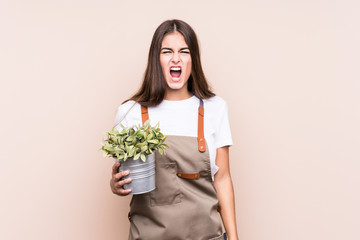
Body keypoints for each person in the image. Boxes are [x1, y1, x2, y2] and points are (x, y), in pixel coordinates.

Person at [110, 19, 238, 240]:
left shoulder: (215, 108)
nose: (176, 58)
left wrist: (234, 238)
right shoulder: (129, 112)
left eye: (184, 51)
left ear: (193, 59)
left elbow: (223, 178)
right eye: (167, 51)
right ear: (156, 59)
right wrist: (115, 184)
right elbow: (124, 176)